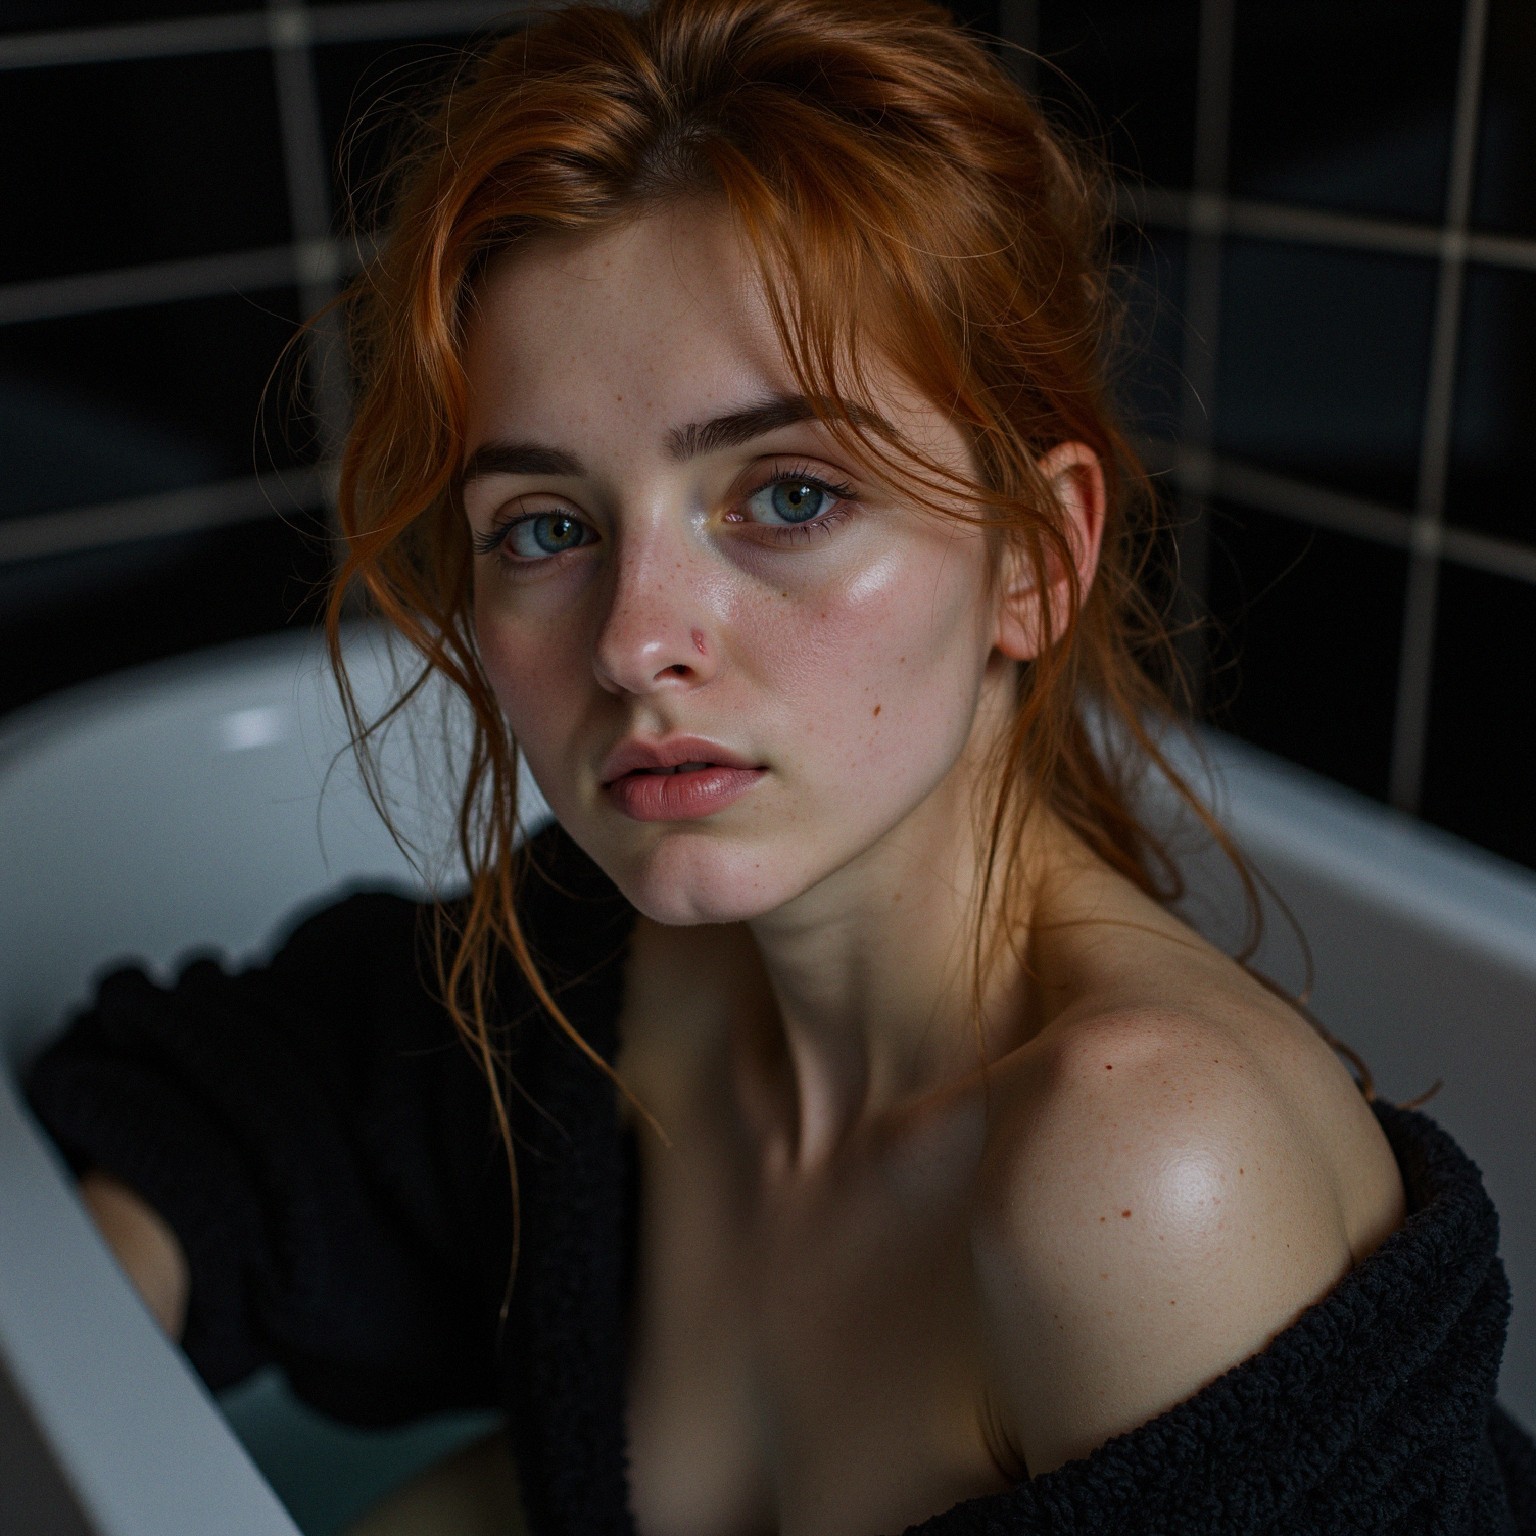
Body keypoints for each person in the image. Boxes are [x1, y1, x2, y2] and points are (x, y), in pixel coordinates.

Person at [25, 1, 1536, 1532]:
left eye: (790, 496)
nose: (633, 641)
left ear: (1036, 557)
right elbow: (248, 1116)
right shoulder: (635, 976)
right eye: (545, 527)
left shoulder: (1144, 1177)